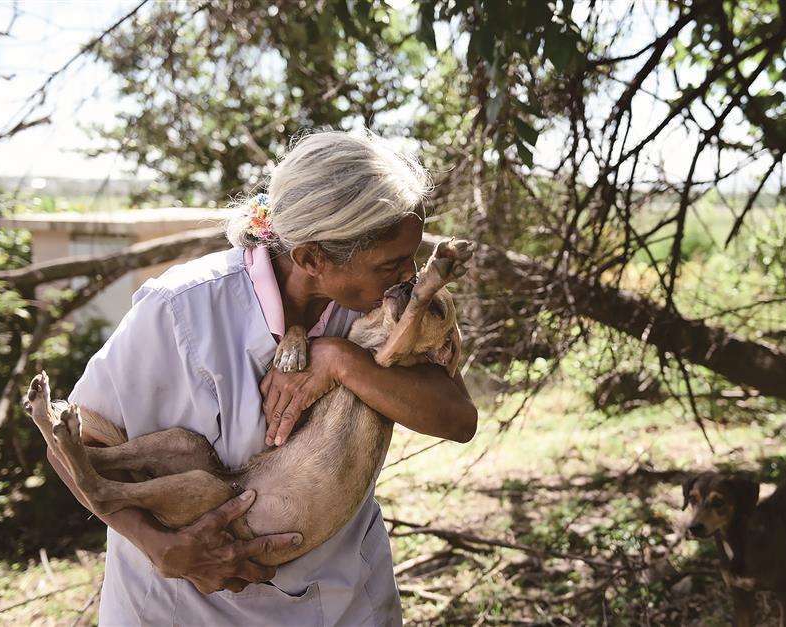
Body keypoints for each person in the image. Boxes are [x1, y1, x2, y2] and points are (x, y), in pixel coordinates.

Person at [49, 129, 478, 625]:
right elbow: (68, 444)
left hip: (346, 599)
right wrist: (159, 545)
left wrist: (341, 359)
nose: (409, 275)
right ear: (311, 258)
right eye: (391, 264)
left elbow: (458, 418)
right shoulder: (181, 310)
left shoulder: (384, 308)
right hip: (188, 607)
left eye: (411, 257)